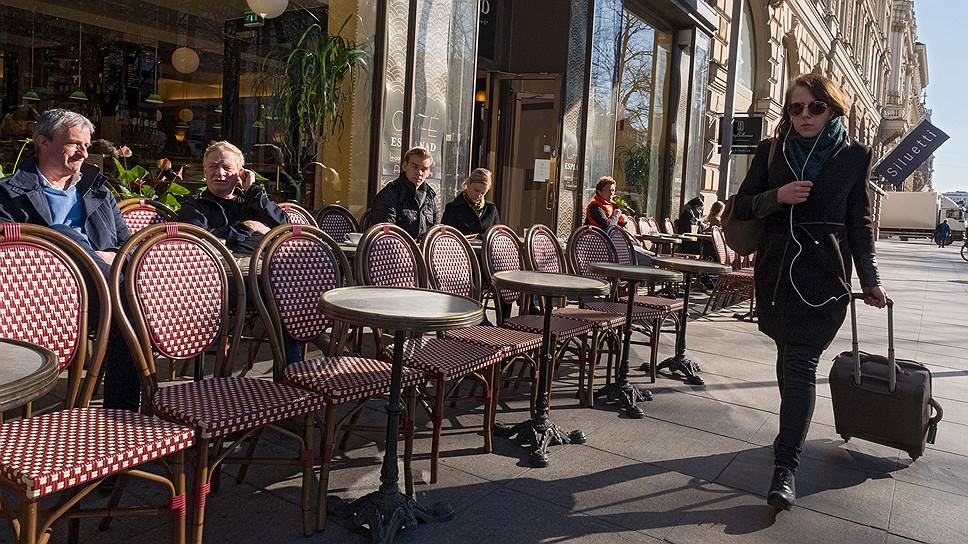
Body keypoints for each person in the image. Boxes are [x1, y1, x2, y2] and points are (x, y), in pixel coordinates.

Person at [731, 74, 887, 511]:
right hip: (776, 275)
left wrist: (870, 278)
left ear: (833, 110)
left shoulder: (854, 155)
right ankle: (791, 432)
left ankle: (786, 466)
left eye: (815, 107)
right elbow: (741, 206)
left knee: (800, 364)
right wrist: (777, 196)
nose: (804, 116)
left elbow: (859, 222)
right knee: (787, 356)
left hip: (825, 279)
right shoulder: (772, 150)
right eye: (796, 108)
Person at [0, 109, 139, 412]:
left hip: (102, 288)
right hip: (46, 292)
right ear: (43, 142)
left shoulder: (97, 190)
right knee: (62, 233)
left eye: (87, 146)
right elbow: (9, 254)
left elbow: (129, 244)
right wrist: (70, 251)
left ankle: (122, 411)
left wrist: (115, 255)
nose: (83, 153)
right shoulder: (8, 193)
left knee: (129, 305)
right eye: (75, 144)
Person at [178, 141, 289, 254]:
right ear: (205, 172)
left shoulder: (251, 202)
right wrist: (248, 226)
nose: (220, 172)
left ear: (240, 173)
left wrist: (252, 190)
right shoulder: (194, 206)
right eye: (212, 166)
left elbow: (285, 228)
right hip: (222, 264)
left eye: (227, 168)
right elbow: (198, 241)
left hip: (263, 262)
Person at [370, 146, 439, 239]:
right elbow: (386, 233)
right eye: (415, 167)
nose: (419, 173)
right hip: (395, 246)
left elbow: (435, 233)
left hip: (423, 247)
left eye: (424, 169)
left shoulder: (430, 196)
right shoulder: (390, 193)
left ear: (429, 172)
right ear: (404, 166)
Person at [442, 168, 500, 238]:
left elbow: (496, 236)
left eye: (483, 193)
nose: (479, 195)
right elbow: (446, 237)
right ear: (468, 184)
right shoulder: (453, 208)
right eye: (476, 190)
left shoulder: (491, 208)